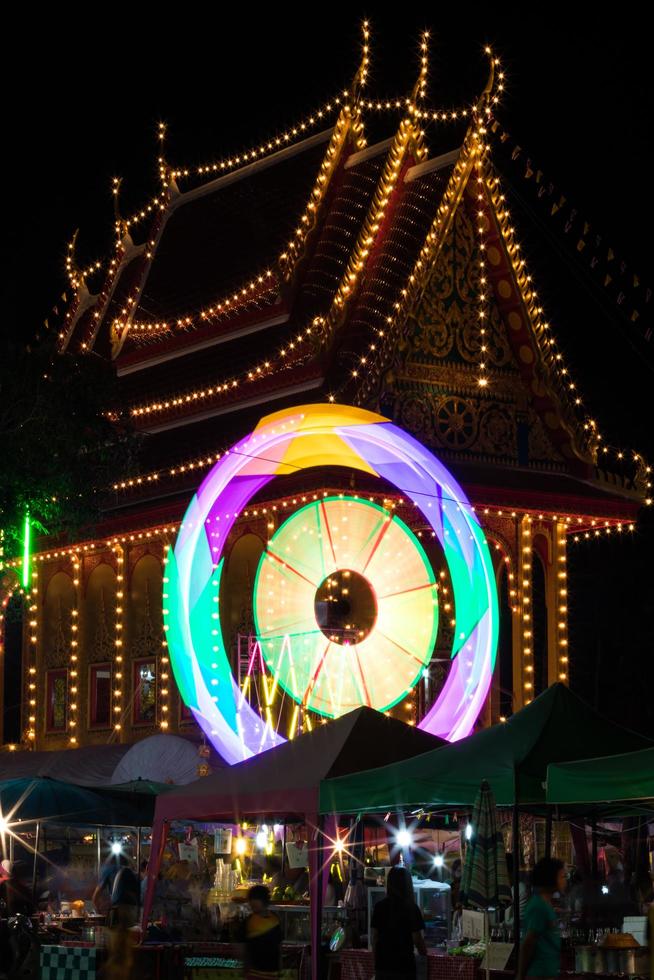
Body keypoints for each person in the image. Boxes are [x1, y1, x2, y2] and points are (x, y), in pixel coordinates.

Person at [371, 866, 427, 980]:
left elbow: (374, 938)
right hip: (404, 968)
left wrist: (376, 963)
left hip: (383, 967)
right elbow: (417, 939)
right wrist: (424, 954)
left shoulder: (379, 907)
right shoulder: (412, 908)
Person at [517, 857, 566, 980]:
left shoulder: (546, 904)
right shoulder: (538, 906)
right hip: (538, 974)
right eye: (562, 876)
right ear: (551, 878)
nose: (565, 881)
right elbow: (528, 943)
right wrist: (520, 975)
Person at [244, 884, 282, 980]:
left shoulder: (275, 920)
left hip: (271, 973)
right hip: (255, 973)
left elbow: (279, 946)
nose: (252, 903)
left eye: (256, 898)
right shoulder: (249, 921)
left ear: (265, 901)